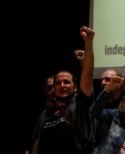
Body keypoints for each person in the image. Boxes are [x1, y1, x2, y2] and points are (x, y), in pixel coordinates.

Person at [32, 26, 96, 154]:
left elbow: (88, 75)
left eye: (67, 82)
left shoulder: (79, 105)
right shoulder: (45, 114)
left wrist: (88, 42)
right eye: (58, 83)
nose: (62, 85)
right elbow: (37, 143)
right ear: (53, 88)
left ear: (75, 87)